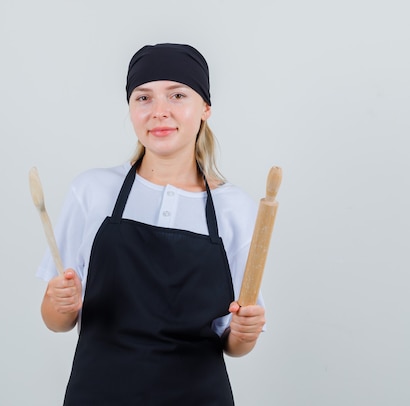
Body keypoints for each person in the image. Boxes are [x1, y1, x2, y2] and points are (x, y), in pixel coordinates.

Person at [36, 43, 266, 405]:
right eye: (143, 98)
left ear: (205, 108)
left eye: (177, 95)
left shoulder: (234, 208)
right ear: (130, 109)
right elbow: (57, 320)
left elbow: (234, 342)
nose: (159, 111)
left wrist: (246, 332)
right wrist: (58, 304)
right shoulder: (93, 192)